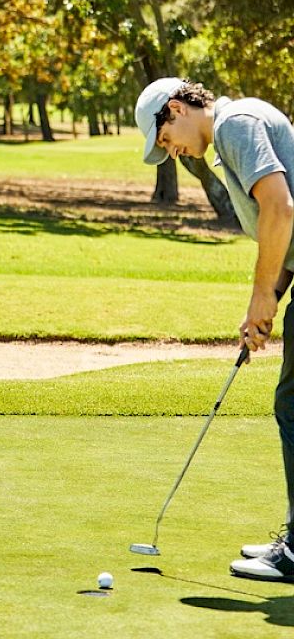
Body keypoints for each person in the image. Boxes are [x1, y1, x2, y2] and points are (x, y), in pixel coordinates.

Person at [135, 77, 294, 582]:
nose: (174, 152)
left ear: (177, 108)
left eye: (166, 140)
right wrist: (266, 303)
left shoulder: (234, 125)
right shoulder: (231, 135)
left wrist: (262, 292)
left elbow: (280, 207)